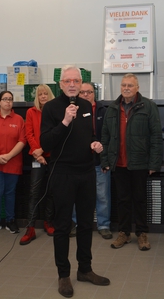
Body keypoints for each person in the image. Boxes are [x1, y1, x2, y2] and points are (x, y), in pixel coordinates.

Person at [41, 65, 110, 298]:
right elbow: (46, 142)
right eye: (67, 80)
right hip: (62, 174)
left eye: (76, 81)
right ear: (60, 84)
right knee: (62, 226)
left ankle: (85, 269)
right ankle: (63, 275)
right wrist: (65, 121)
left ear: (81, 84)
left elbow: (88, 134)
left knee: (85, 223)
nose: (72, 84)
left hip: (86, 172)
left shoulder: (86, 105)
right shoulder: (51, 108)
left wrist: (94, 144)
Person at [101, 73, 163, 251]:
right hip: (119, 163)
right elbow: (105, 137)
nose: (126, 88)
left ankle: (142, 233)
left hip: (140, 163)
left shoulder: (148, 107)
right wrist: (105, 160)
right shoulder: (112, 108)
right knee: (122, 200)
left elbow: (156, 137)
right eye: (123, 85)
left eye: (130, 85)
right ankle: (124, 233)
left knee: (140, 199)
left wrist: (154, 164)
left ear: (137, 88)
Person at [0, 91, 26, 235]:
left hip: (12, 162)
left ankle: (10, 221)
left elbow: (22, 141)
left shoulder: (19, 119)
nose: (8, 102)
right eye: (5, 99)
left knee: (10, 193)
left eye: (10, 99)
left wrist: (9, 155)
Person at [20, 85, 55, 245]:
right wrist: (37, 152)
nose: (43, 96)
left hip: (53, 156)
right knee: (34, 191)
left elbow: (57, 133)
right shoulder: (31, 112)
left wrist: (45, 150)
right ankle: (30, 228)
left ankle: (49, 222)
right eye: (40, 94)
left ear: (50, 95)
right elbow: (29, 134)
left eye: (45, 93)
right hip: (36, 157)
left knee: (51, 191)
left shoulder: (55, 110)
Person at [79, 82, 112, 240]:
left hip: (99, 162)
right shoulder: (73, 111)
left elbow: (109, 137)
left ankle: (104, 224)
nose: (86, 95)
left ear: (94, 94)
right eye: (83, 92)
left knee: (102, 195)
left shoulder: (103, 112)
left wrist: (105, 160)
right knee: (77, 196)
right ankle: (76, 223)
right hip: (79, 162)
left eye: (89, 92)